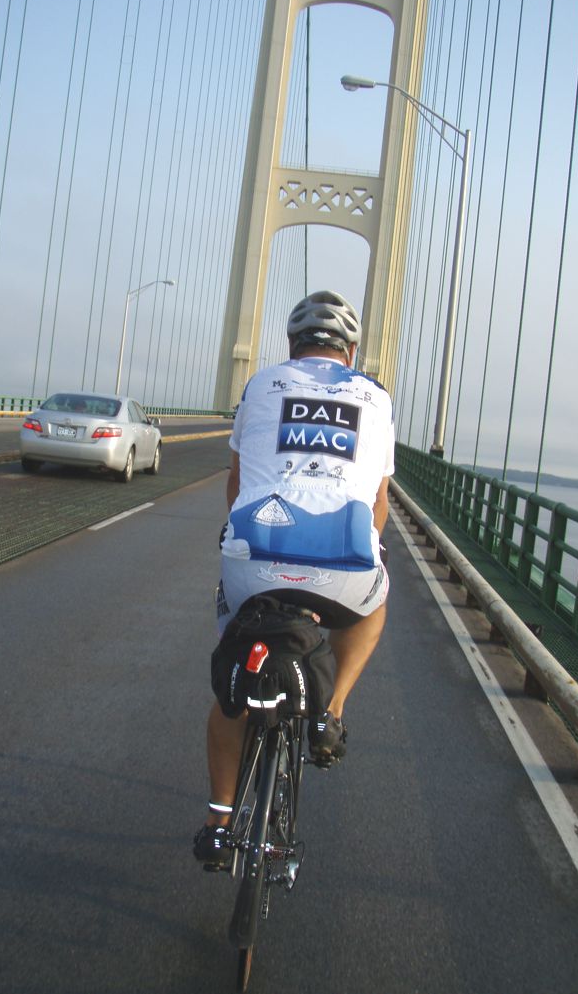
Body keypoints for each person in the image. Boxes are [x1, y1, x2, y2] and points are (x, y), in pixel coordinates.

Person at [194, 290, 394, 866]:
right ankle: (332, 715)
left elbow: (237, 485)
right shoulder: (375, 398)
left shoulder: (261, 385)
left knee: (234, 681)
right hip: (344, 571)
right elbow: (378, 501)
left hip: (253, 562)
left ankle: (218, 819)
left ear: (291, 346)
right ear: (350, 352)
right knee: (375, 603)